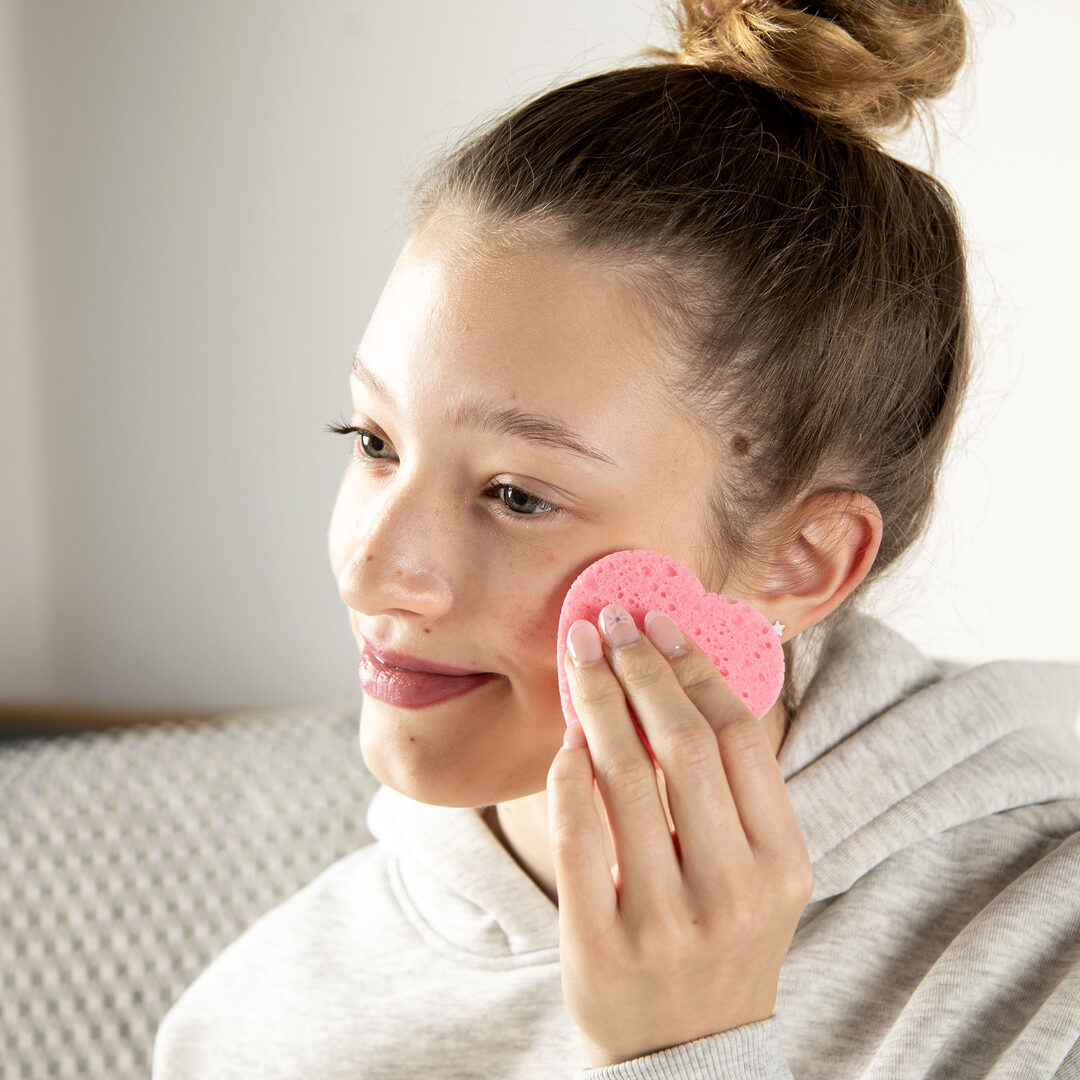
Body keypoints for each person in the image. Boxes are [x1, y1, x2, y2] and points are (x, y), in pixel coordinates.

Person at [151, 1, 1080, 1076]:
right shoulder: (250, 1025)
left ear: (802, 562)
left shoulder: (1043, 971)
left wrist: (684, 1048)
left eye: (516, 494)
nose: (373, 570)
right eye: (373, 440)